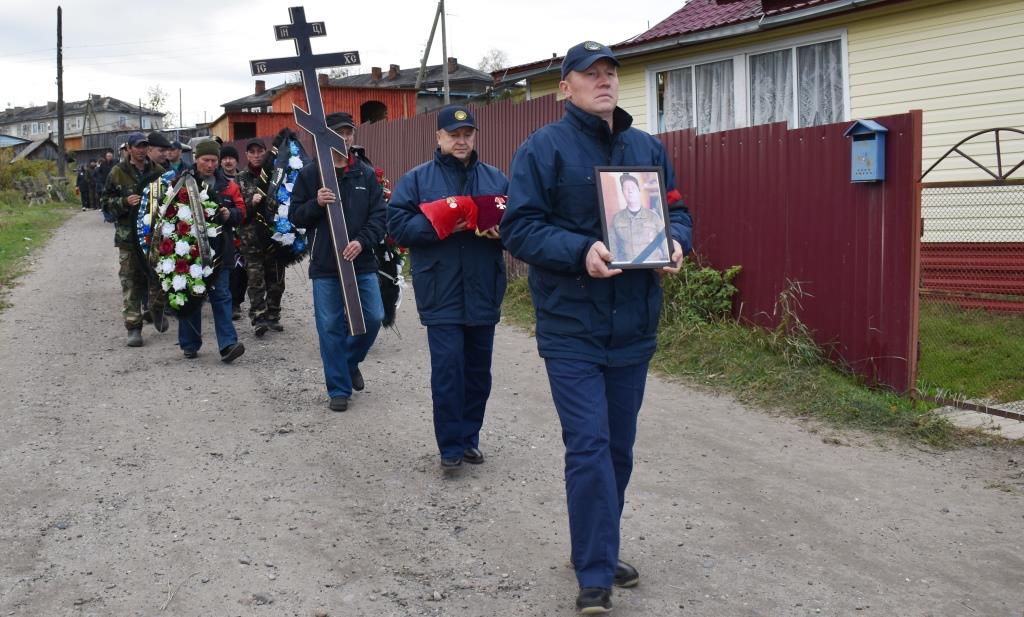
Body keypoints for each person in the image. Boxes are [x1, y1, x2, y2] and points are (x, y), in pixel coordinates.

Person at [501, 41, 692, 614]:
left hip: (633, 324)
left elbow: (676, 210)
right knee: (588, 445)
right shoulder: (543, 150)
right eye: (590, 74)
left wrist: (678, 240)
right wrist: (581, 249)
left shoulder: (645, 148)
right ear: (565, 87)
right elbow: (519, 228)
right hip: (571, 325)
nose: (604, 81)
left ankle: (596, 545)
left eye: (610, 72)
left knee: (619, 450)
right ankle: (594, 573)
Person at [387, 105, 508, 469]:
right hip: (439, 288)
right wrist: (442, 226)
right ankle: (450, 448)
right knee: (448, 370)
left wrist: (504, 232)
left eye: (467, 134)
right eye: (453, 135)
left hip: (484, 287)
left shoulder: (496, 179)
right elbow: (397, 228)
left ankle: (470, 438)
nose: (461, 140)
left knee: (477, 373)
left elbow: (518, 224)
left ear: (475, 136)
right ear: (438, 137)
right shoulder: (417, 180)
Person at [290, 112, 387, 412]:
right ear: (325, 136)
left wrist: (362, 241)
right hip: (325, 264)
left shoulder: (365, 174)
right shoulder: (310, 174)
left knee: (373, 317)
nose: (345, 138)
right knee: (330, 326)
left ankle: (348, 361)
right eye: (338, 133)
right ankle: (338, 389)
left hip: (362, 260)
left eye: (349, 132)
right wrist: (315, 203)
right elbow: (295, 215)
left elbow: (380, 216)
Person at [176, 139, 247, 363]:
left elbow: (241, 212)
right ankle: (190, 343)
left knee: (222, 297)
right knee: (192, 296)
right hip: (191, 252)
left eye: (214, 161)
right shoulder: (182, 183)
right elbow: (170, 212)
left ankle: (228, 345)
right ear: (196, 159)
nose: (210, 164)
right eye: (206, 160)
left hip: (221, 252)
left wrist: (230, 215)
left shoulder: (229, 186)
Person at [99, 132, 167, 346]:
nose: (141, 150)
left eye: (144, 146)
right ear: (128, 149)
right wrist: (124, 202)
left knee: (159, 279)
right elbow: (105, 203)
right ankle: (133, 327)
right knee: (131, 281)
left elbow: (170, 198)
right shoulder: (117, 173)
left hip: (155, 238)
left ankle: (156, 310)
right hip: (128, 238)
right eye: (137, 146)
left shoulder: (158, 172)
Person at [236, 138, 287, 336]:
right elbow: (237, 209)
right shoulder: (240, 178)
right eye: (252, 152)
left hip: (274, 237)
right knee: (255, 281)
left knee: (277, 280)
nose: (256, 155)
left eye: (260, 151)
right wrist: (251, 202)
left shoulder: (276, 175)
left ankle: (273, 315)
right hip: (251, 240)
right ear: (247, 155)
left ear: (265, 153)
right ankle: (259, 318)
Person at [608, 173, 668, 264]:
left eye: (633, 187)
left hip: (651, 269)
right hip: (626, 270)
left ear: (639, 191)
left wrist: (668, 263)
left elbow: (665, 243)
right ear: (623, 193)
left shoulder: (653, 217)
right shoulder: (616, 219)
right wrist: (615, 265)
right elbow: (612, 248)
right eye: (626, 188)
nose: (630, 191)